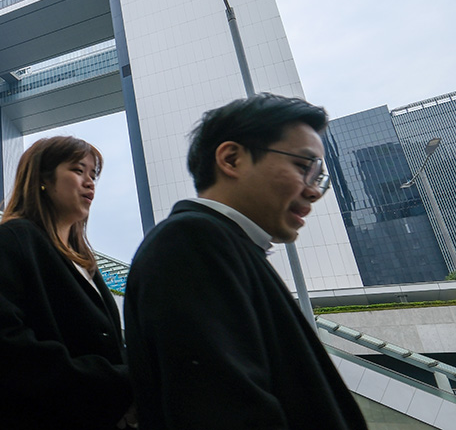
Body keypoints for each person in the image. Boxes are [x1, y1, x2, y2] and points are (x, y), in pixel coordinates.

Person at [123, 93, 367, 429]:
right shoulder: (191, 243)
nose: (314, 192)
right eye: (302, 166)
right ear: (232, 159)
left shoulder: (225, 245)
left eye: (319, 177)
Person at [0, 136, 135, 430]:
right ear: (43, 179)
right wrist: (111, 380)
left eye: (93, 174)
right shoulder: (14, 239)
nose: (90, 182)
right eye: (78, 170)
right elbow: (1, 343)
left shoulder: (85, 261)